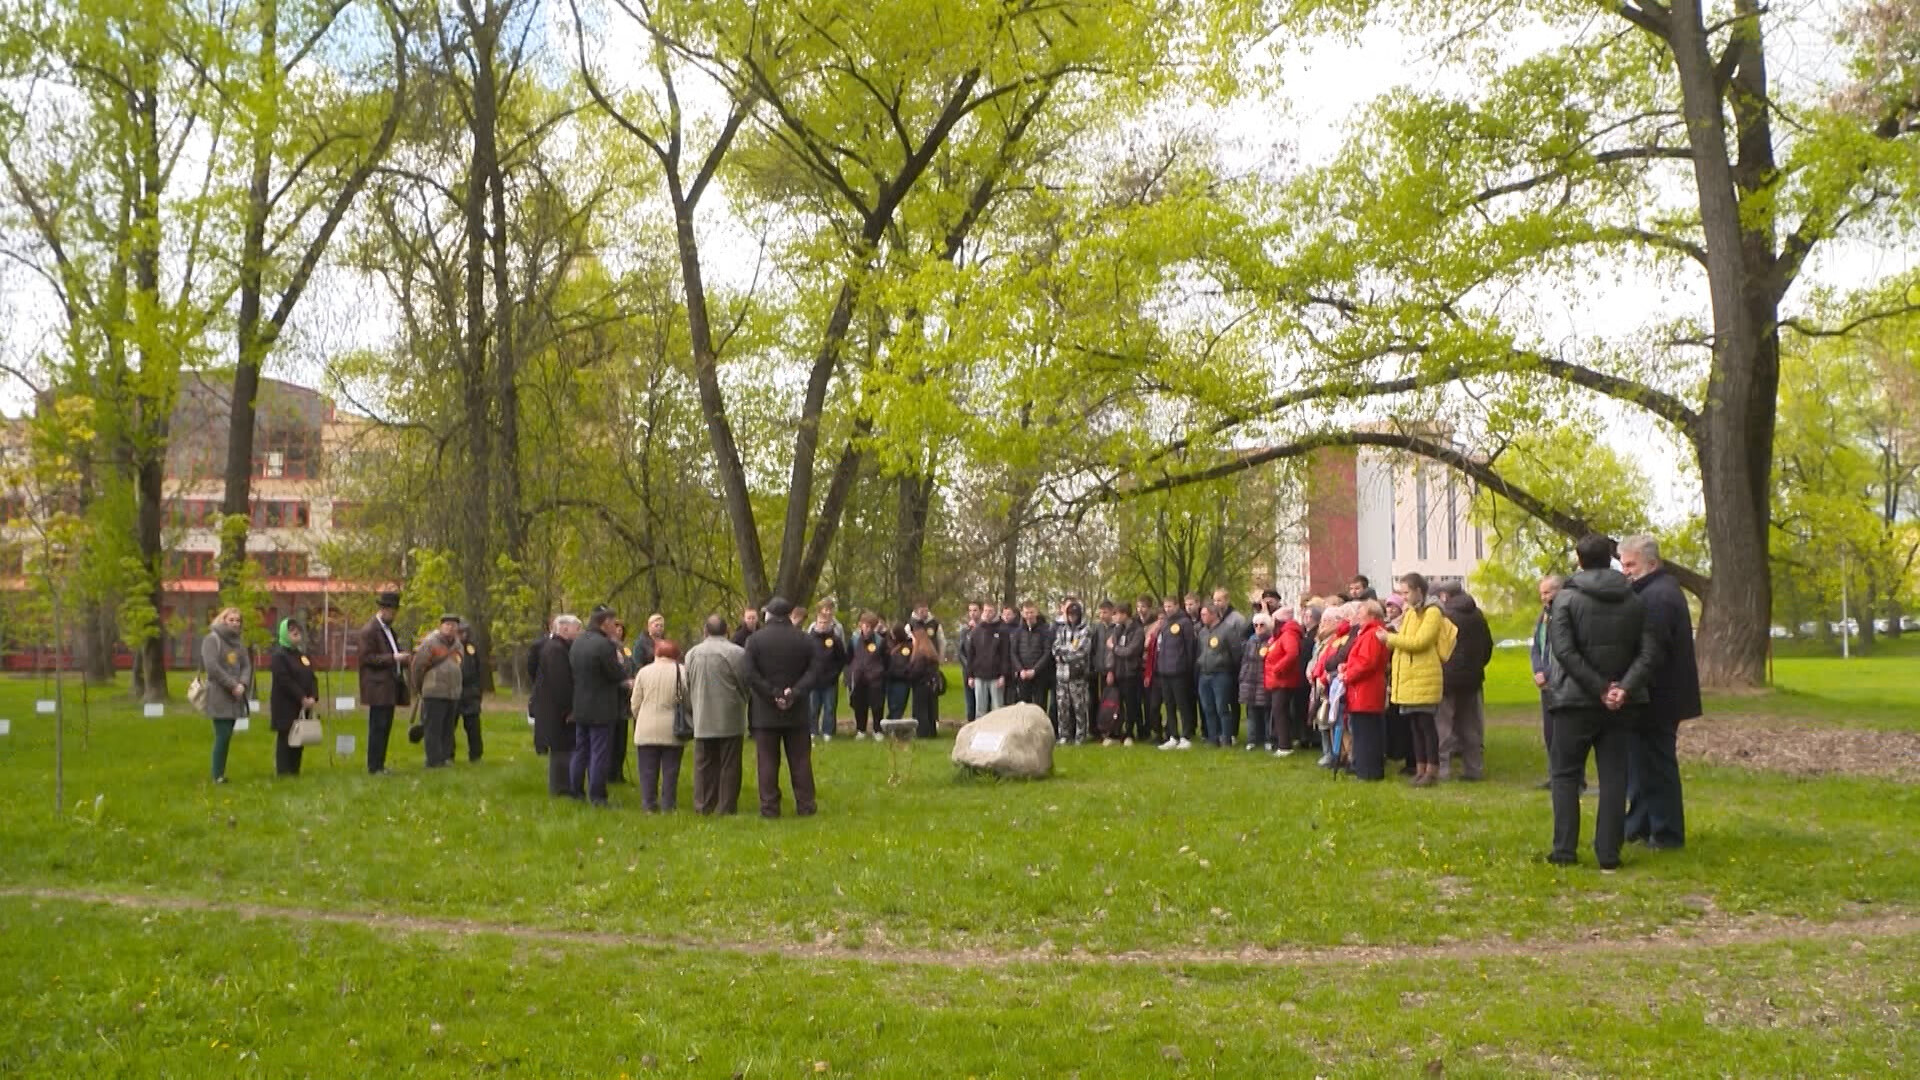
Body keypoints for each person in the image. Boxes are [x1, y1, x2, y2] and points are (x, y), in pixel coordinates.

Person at [1545, 533, 1662, 871]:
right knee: (1614, 776)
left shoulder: (1566, 599)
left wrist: (1599, 688)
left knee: (1565, 774)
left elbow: (1565, 651)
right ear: (1610, 557)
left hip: (1574, 701)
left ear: (1579, 560)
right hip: (1621, 704)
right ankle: (1608, 853)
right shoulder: (1634, 598)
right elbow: (1648, 650)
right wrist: (1622, 688)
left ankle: (1564, 849)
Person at [1620, 534, 1701, 851]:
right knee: (1642, 766)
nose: (1625, 571)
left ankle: (1666, 833)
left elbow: (1651, 653)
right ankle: (1640, 826)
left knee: (1657, 767)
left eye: (1631, 564)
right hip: (1655, 695)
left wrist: (1628, 686)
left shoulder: (1658, 597)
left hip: (1659, 697)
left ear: (1651, 564)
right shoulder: (1656, 591)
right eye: (1623, 564)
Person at [742, 597, 827, 818]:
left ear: (769, 615)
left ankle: (769, 807)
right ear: (789, 615)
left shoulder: (755, 640)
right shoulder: (805, 640)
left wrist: (772, 694)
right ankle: (806, 804)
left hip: (765, 711)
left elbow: (750, 673)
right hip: (797, 709)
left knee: (768, 760)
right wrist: (795, 692)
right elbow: (815, 670)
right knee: (800, 760)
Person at [1381, 573, 1448, 787]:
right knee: (1415, 726)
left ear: (1419, 590)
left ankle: (1432, 770)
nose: (1404, 597)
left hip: (1424, 676)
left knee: (1426, 725)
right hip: (1410, 678)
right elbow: (1405, 639)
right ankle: (1420, 769)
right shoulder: (1410, 612)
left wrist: (1390, 639)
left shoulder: (1433, 612)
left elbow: (1420, 642)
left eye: (1406, 592)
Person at [685, 615, 752, 815]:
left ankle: (703, 804)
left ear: (705, 631)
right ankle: (726, 806)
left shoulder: (691, 654)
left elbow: (688, 682)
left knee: (704, 764)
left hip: (702, 713)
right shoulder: (737, 653)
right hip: (730, 714)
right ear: (727, 630)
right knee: (729, 764)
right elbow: (745, 681)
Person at [569, 608, 634, 806]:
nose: (616, 627)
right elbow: (615, 674)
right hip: (601, 707)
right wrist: (624, 674)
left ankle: (576, 791)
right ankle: (598, 796)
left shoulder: (577, 642)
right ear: (604, 623)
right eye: (614, 623)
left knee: (581, 749)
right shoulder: (605, 645)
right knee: (599, 752)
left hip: (580, 705)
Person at [1434, 582, 1493, 781]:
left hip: (1447, 679)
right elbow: (1487, 646)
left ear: (1444, 595)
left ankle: (1443, 771)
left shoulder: (1445, 617)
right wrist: (1476, 666)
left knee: (1443, 726)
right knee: (1471, 726)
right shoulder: (1478, 616)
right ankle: (1473, 769)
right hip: (1473, 678)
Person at [355, 591, 411, 775]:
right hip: (377, 686)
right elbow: (367, 658)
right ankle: (374, 765)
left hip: (389, 685)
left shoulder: (389, 631)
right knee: (378, 727)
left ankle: (380, 764)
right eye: (392, 612)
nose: (394, 615)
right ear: (383, 609)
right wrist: (393, 658)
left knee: (385, 726)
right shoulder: (370, 630)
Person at [629, 638, 686, 812]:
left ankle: (648, 804)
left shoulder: (644, 672)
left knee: (647, 770)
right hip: (672, 727)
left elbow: (635, 702)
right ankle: (668, 804)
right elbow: (688, 699)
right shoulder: (682, 672)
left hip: (646, 726)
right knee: (670, 770)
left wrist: (640, 716)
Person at [199, 607, 253, 784]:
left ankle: (220, 773)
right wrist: (232, 685)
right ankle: (217, 776)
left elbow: (246, 665)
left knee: (227, 735)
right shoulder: (212, 639)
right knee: (222, 735)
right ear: (223, 620)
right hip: (219, 694)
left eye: (238, 620)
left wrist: (243, 684)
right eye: (232, 620)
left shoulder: (239, 643)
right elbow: (212, 667)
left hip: (236, 695)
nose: (236, 623)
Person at [529, 615, 580, 796]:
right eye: (577, 628)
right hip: (556, 709)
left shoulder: (560, 648)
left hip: (555, 707)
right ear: (564, 629)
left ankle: (563, 786)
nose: (579, 633)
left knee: (563, 748)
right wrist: (568, 708)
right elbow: (561, 682)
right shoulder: (556, 650)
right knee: (560, 748)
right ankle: (560, 788)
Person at [1341, 600, 1391, 780]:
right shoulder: (1369, 633)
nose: (1357, 616)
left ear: (1371, 615)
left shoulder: (1371, 635)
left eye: (1360, 613)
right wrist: (1346, 667)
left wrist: (1347, 676)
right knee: (1365, 731)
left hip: (1366, 690)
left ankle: (1367, 771)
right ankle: (1367, 769)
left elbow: (1366, 663)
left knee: (1366, 733)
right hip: (1363, 689)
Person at [410, 615, 464, 769]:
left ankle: (446, 757)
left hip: (452, 693)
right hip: (433, 692)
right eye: (447, 624)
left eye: (453, 625)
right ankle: (433, 761)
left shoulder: (458, 645)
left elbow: (460, 664)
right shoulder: (430, 643)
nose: (450, 627)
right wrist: (421, 687)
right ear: (441, 626)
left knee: (448, 729)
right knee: (433, 728)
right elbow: (418, 666)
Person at [268, 617, 318, 778]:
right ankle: (283, 772)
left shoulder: (302, 655)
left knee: (299, 738)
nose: (296, 632)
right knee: (286, 737)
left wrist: (313, 697)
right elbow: (284, 680)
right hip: (285, 704)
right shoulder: (279, 656)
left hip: (303, 705)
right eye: (291, 630)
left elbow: (312, 677)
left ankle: (295, 771)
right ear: (284, 633)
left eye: (297, 629)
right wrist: (301, 697)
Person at [1530, 575, 1566, 790]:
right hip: (1545, 682)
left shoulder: (1565, 614)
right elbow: (1536, 647)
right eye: (1541, 593)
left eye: (1547, 592)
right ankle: (1554, 775)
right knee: (1550, 733)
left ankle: (1570, 778)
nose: (1544, 597)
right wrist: (1538, 670)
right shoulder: (1542, 617)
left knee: (1565, 733)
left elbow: (1563, 652)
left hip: (1561, 682)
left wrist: (1550, 673)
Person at [1154, 596, 1198, 749]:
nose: (1167, 609)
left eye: (1170, 606)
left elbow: (1190, 647)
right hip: (1164, 671)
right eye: (1165, 606)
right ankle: (1173, 735)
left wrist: (1187, 667)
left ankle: (1186, 735)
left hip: (1179, 671)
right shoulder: (1165, 623)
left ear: (1177, 606)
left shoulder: (1185, 623)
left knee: (1182, 704)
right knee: (1169, 705)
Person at [1263, 607, 1305, 755]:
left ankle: (1284, 745)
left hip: (1283, 680)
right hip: (1279, 680)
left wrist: (1277, 668)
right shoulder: (1282, 635)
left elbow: (1292, 653)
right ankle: (1281, 741)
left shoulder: (1289, 634)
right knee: (1279, 711)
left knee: (1280, 711)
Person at [1052, 600, 1094, 744]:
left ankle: (1081, 735)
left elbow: (1081, 651)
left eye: (1075, 615)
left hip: (1078, 674)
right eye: (1070, 615)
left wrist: (1065, 653)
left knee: (1079, 706)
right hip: (1061, 674)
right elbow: (1055, 648)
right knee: (1062, 706)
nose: (1072, 618)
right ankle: (1064, 735)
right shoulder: (1061, 630)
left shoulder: (1086, 630)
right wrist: (1066, 652)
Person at [1212, 587, 1251, 739]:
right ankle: (1220, 731)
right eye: (1214, 600)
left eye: (1219, 600)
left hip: (1234, 664)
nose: (1216, 603)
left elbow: (1242, 641)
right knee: (1221, 701)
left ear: (1227, 600)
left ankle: (1233, 732)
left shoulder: (1237, 618)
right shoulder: (1215, 617)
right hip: (1218, 663)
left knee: (1233, 700)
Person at [1195, 605, 1236, 746]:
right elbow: (1200, 651)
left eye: (1205, 614)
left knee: (1222, 707)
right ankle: (1213, 737)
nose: (1202, 617)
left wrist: (1229, 667)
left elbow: (1235, 652)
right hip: (1204, 674)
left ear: (1214, 615)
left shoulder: (1227, 630)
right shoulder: (1202, 632)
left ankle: (1226, 737)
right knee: (1208, 708)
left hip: (1221, 674)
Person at [806, 603, 848, 740]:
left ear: (829, 623)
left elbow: (842, 659)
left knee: (829, 708)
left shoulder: (835, 640)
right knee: (813, 708)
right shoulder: (809, 639)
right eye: (820, 622)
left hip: (830, 681)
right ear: (816, 623)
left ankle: (828, 732)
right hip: (813, 680)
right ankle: (812, 731)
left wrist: (835, 674)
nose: (822, 625)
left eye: (825, 623)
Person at [1105, 602, 1145, 746]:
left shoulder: (1138, 631)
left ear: (1124, 614)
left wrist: (1114, 647)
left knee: (1131, 705)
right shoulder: (1117, 630)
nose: (1114, 617)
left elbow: (1130, 651)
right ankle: (1116, 732)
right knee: (1117, 705)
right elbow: (1111, 652)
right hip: (1118, 673)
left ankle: (1130, 733)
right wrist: (1110, 670)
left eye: (1116, 614)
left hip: (1131, 673)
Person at [846, 612, 889, 739]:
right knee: (859, 705)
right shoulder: (854, 639)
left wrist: (879, 672)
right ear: (861, 625)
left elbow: (886, 660)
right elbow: (848, 657)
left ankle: (877, 730)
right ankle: (861, 730)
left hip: (875, 678)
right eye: (865, 626)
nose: (868, 629)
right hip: (858, 678)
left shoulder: (880, 641)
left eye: (871, 627)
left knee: (877, 705)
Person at [1009, 601, 1055, 718]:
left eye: (1031, 612)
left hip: (1040, 675)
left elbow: (1047, 652)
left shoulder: (1045, 631)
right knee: (1024, 707)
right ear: (1022, 614)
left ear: (1036, 613)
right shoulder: (1018, 632)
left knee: (1040, 707)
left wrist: (1035, 670)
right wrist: (1021, 670)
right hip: (1023, 675)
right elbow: (1013, 652)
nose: (1029, 615)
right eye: (1026, 613)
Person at [966, 602, 1011, 715]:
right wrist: (970, 675)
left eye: (990, 611)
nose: (987, 613)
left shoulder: (1002, 630)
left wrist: (1003, 675)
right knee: (980, 709)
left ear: (995, 612)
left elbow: (1005, 655)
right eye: (985, 611)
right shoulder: (976, 631)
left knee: (998, 709)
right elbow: (971, 654)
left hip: (996, 676)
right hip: (979, 675)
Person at [1239, 612, 1274, 752]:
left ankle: (1268, 739)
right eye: (1256, 625)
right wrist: (1243, 678)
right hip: (1250, 680)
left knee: (1267, 712)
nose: (1258, 628)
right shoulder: (1250, 642)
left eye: (1262, 625)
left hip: (1264, 680)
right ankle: (1251, 740)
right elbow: (1245, 661)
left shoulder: (1271, 641)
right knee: (1251, 712)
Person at [455, 620, 484, 763]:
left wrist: (478, 690)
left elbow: (479, 669)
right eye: (459, 632)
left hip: (471, 691)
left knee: (473, 726)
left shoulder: (472, 648)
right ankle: (448, 754)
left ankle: (476, 755)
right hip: (453, 691)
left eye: (464, 632)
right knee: (449, 726)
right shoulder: (449, 647)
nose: (462, 635)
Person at [908, 624, 943, 738]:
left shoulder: (920, 655)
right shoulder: (931, 653)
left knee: (921, 710)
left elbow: (916, 672)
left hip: (921, 685)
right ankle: (932, 732)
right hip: (931, 685)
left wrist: (907, 674)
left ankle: (922, 733)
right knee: (931, 710)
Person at [883, 625, 915, 720]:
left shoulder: (907, 647)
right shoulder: (890, 645)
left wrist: (903, 672)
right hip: (890, 678)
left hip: (902, 679)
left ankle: (895, 723)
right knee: (891, 704)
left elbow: (905, 662)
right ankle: (891, 722)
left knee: (899, 704)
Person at [957, 601, 981, 722]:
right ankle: (970, 721)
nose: (972, 613)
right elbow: (960, 651)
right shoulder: (965, 631)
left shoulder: (984, 629)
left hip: (982, 669)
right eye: (970, 610)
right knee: (969, 698)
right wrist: (968, 666)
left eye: (975, 610)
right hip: (968, 670)